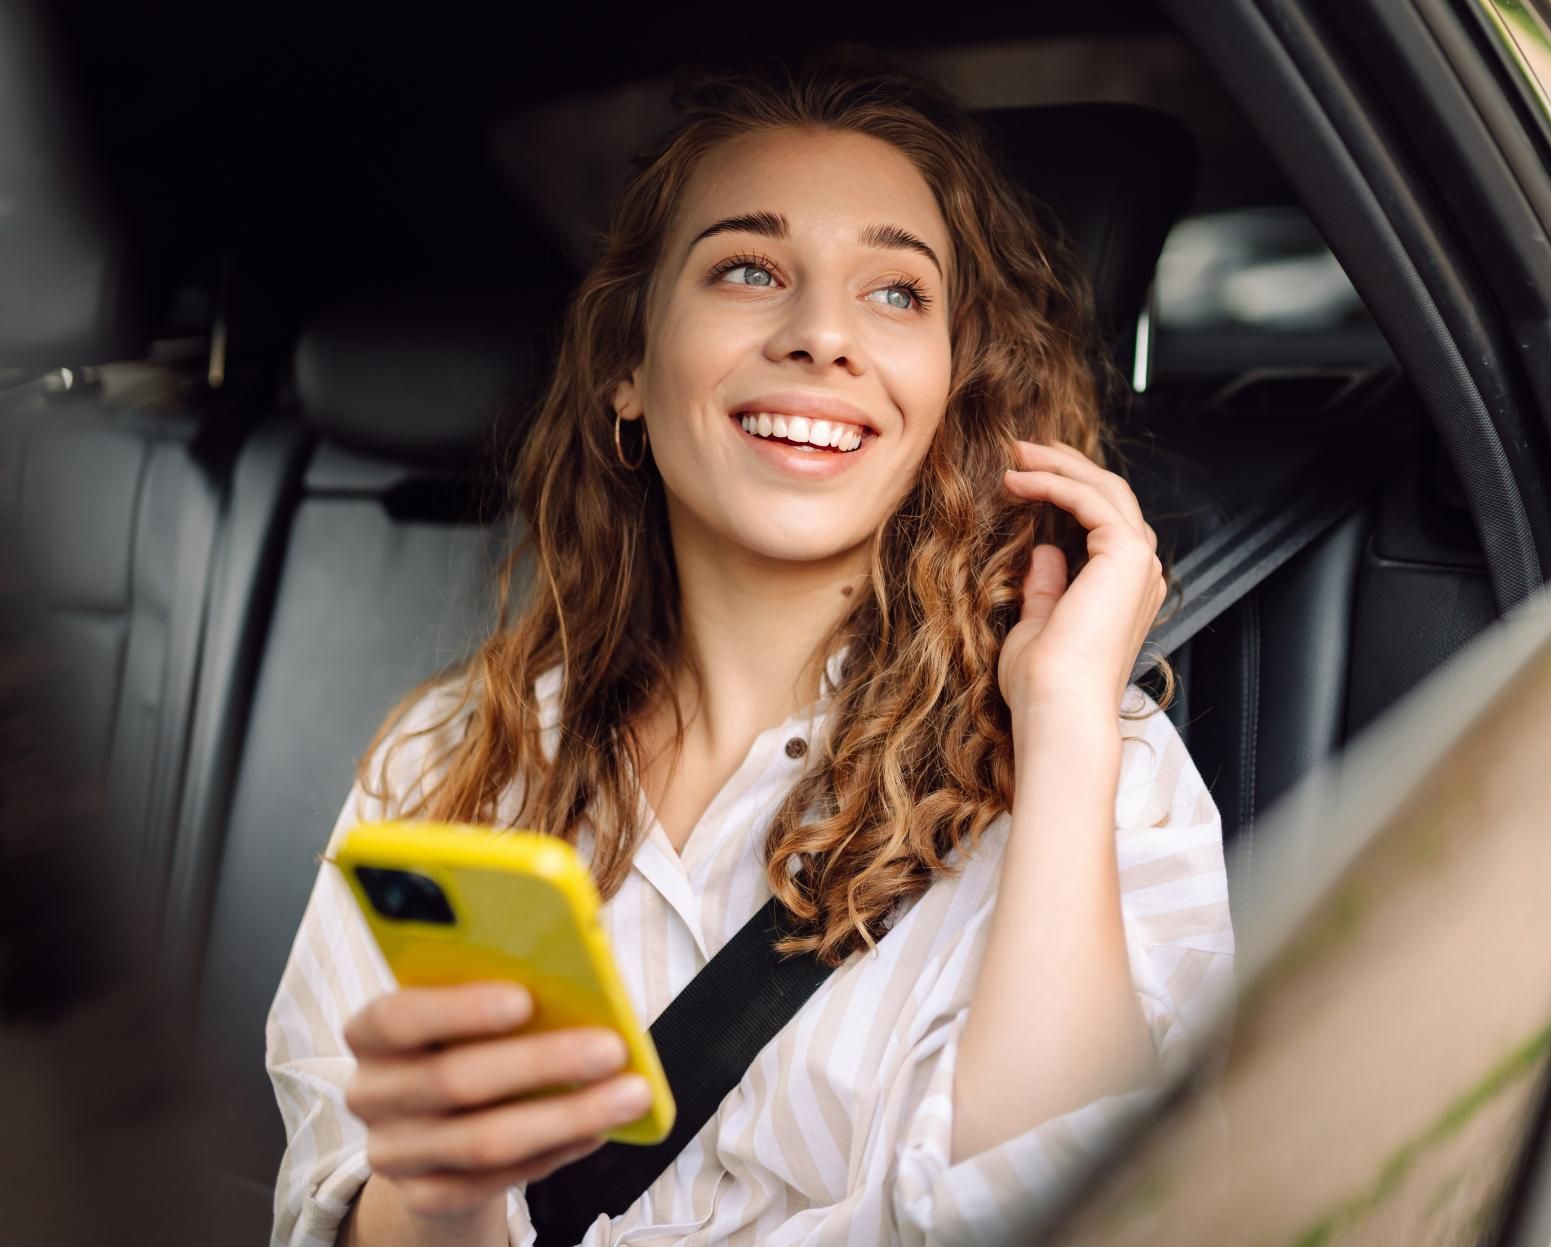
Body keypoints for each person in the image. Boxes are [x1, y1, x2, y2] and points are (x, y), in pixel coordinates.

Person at [266, 55, 1234, 1247]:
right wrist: (445, 1187)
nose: (822, 333)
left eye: (895, 294)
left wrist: (1069, 723)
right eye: (747, 268)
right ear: (627, 368)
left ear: (949, 393)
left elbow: (1088, 1215)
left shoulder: (1102, 767)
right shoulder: (446, 767)